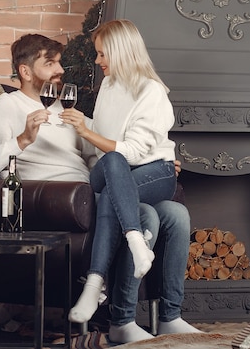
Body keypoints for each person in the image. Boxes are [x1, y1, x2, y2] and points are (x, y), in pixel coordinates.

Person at [0, 33, 200, 343]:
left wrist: (155, 163)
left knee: (175, 213)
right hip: (63, 203)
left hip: (92, 192)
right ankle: (122, 320)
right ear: (25, 71)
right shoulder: (8, 106)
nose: (60, 69)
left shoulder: (66, 109)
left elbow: (103, 156)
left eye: (59, 62)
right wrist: (21, 140)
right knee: (146, 216)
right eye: (50, 63)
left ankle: (171, 315)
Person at [59, 19, 181, 327]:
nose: (98, 61)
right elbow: (106, 138)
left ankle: (93, 285)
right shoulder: (109, 87)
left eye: (102, 55)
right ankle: (137, 243)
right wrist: (82, 122)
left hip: (153, 172)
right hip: (113, 170)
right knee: (113, 164)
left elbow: (135, 152)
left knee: (168, 209)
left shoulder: (151, 92)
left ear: (122, 52)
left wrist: (85, 132)